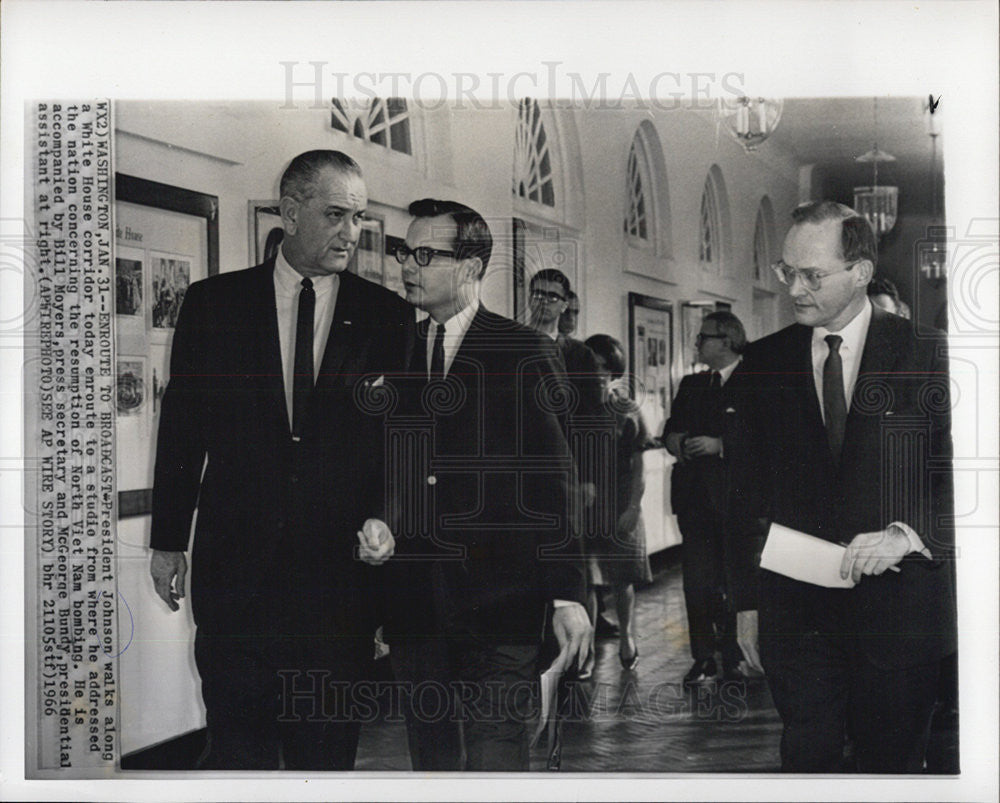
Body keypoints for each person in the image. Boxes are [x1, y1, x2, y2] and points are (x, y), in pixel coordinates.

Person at [148, 150, 415, 770]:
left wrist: (386, 515)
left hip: (336, 589)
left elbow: (402, 442)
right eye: (336, 215)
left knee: (324, 755)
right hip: (236, 579)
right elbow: (182, 432)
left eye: (358, 217)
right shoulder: (215, 306)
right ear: (291, 213)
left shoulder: (387, 318)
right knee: (236, 751)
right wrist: (167, 541)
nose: (351, 232)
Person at [727, 201, 956, 773]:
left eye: (812, 275)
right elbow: (742, 495)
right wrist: (747, 605)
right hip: (797, 621)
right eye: (787, 273)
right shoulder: (762, 364)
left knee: (892, 768)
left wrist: (908, 534)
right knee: (808, 762)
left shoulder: (929, 355)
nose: (795, 290)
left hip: (900, 616)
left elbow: (967, 476)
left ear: (859, 272)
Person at [382, 199, 590, 771]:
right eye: (404, 251)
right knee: (433, 763)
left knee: (497, 761)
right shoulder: (392, 350)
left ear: (471, 268)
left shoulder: (523, 351)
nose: (407, 265)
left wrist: (569, 592)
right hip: (416, 609)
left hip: (502, 605)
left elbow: (556, 481)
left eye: (425, 254)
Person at [662, 311, 746, 685]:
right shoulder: (691, 384)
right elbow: (669, 431)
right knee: (697, 581)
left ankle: (734, 655)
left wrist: (720, 445)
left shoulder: (754, 383)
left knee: (733, 581)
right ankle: (703, 656)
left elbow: (767, 440)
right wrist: (679, 443)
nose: (697, 344)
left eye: (703, 338)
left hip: (736, 501)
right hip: (694, 500)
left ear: (726, 340)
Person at [582, 334, 653, 671]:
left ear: (614, 370)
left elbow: (639, 463)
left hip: (620, 502)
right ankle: (588, 649)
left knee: (621, 577)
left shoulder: (626, 409)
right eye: (592, 365)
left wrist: (633, 507)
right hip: (585, 506)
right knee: (587, 580)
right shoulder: (574, 407)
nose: (598, 373)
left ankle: (626, 636)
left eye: (604, 367)